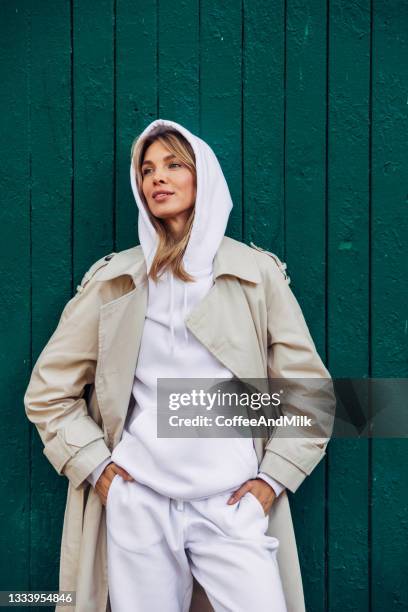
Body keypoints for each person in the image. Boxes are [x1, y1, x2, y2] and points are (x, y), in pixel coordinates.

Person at [24, 118, 334, 612]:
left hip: (231, 503)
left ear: (202, 177)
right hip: (138, 502)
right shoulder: (115, 281)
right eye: (146, 169)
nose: (157, 179)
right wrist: (100, 471)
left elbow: (310, 393)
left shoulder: (255, 275)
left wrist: (270, 484)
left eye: (173, 165)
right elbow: (48, 392)